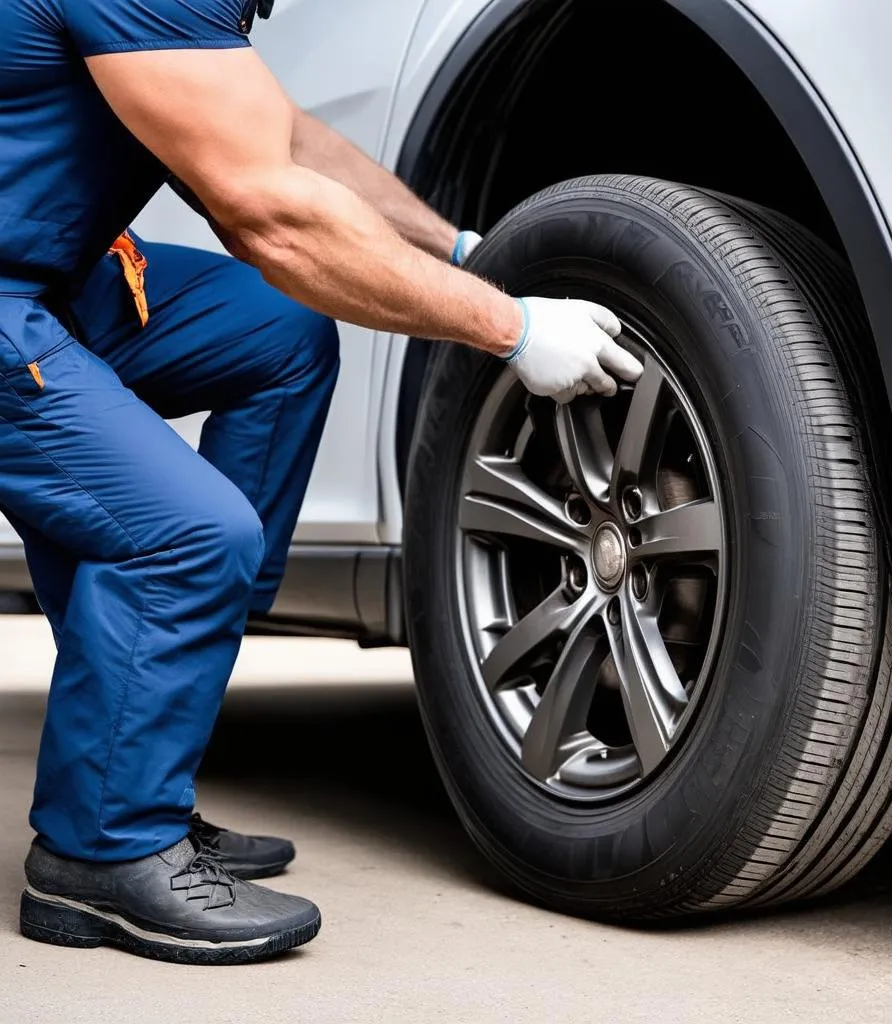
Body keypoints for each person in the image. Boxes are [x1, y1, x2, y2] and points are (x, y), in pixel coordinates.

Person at [0, 0, 643, 965]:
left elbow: (285, 137)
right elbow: (270, 214)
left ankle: (138, 752)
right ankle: (101, 853)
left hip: (56, 274)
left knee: (279, 335)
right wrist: (510, 327)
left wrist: (459, 251)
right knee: (187, 535)